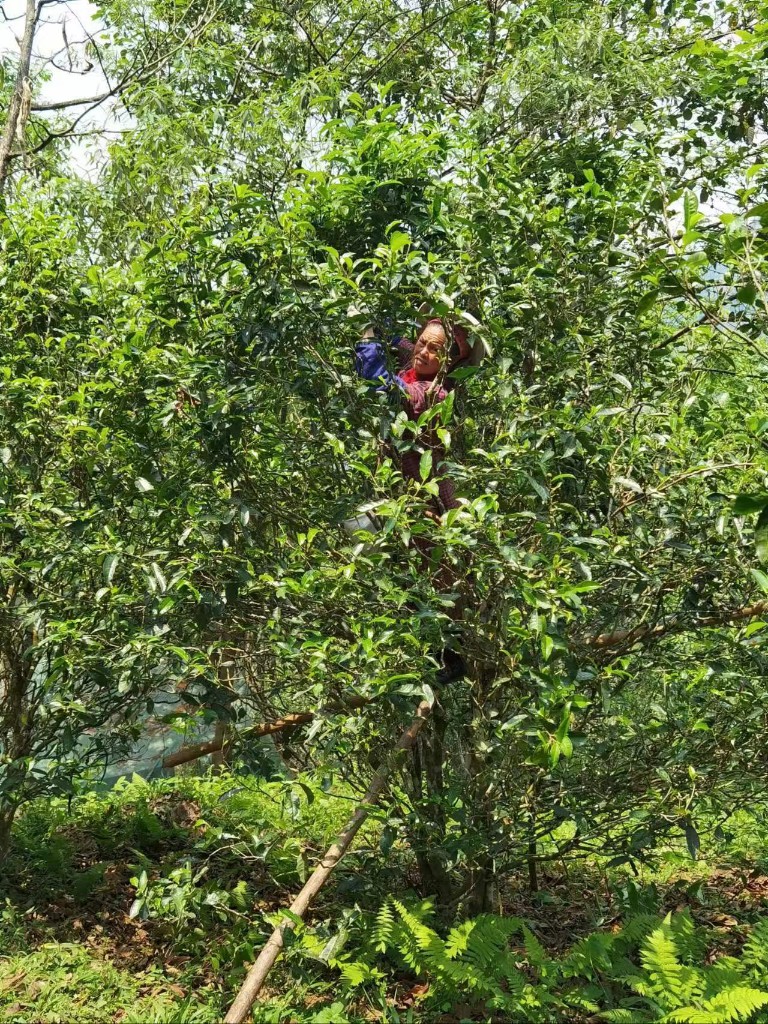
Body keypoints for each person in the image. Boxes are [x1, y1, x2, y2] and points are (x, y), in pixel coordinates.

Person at [354, 313, 475, 684]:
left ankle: (447, 653)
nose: (422, 351)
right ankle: (432, 643)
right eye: (421, 342)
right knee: (405, 561)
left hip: (422, 491)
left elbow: (379, 382)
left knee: (433, 567)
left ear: (448, 361)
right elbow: (395, 339)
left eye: (433, 349)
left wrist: (366, 339)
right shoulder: (418, 362)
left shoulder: (431, 392)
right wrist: (373, 321)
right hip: (403, 488)